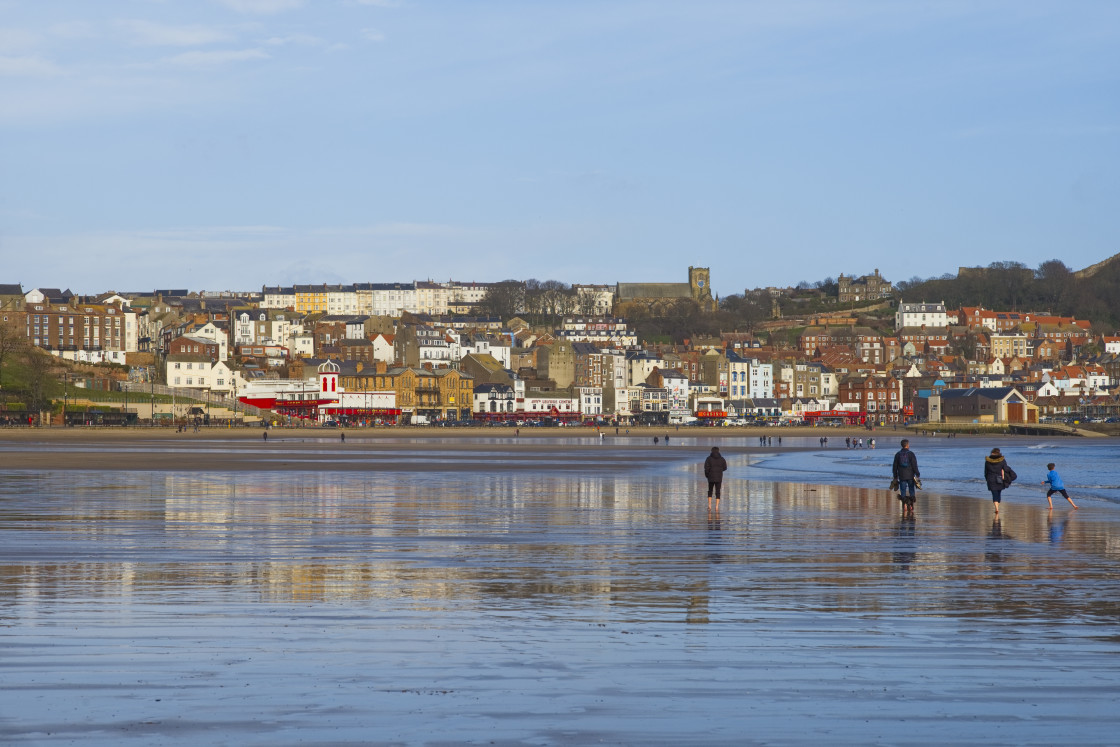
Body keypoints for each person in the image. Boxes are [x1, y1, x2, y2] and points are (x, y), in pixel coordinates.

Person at [984, 447, 1016, 515]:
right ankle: (997, 507)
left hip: (990, 478)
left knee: (994, 494)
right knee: (999, 493)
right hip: (999, 478)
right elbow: (1006, 468)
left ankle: (996, 508)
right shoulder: (1002, 460)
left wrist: (987, 479)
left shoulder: (987, 461)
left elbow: (986, 472)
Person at [892, 439, 919, 517]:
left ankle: (904, 505)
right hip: (910, 475)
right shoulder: (911, 454)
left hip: (902, 475)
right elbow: (914, 465)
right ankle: (911, 505)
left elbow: (895, 466)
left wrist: (895, 476)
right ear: (907, 445)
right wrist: (917, 474)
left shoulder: (897, 454)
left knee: (903, 490)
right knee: (911, 490)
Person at [704, 446, 728, 511]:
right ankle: (717, 507)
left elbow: (706, 468)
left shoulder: (708, 459)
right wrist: (720, 470)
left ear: (712, 451)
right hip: (719, 477)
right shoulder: (722, 459)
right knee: (718, 492)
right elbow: (725, 468)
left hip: (710, 477)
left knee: (710, 491)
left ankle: (709, 505)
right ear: (718, 451)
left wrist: (707, 475)